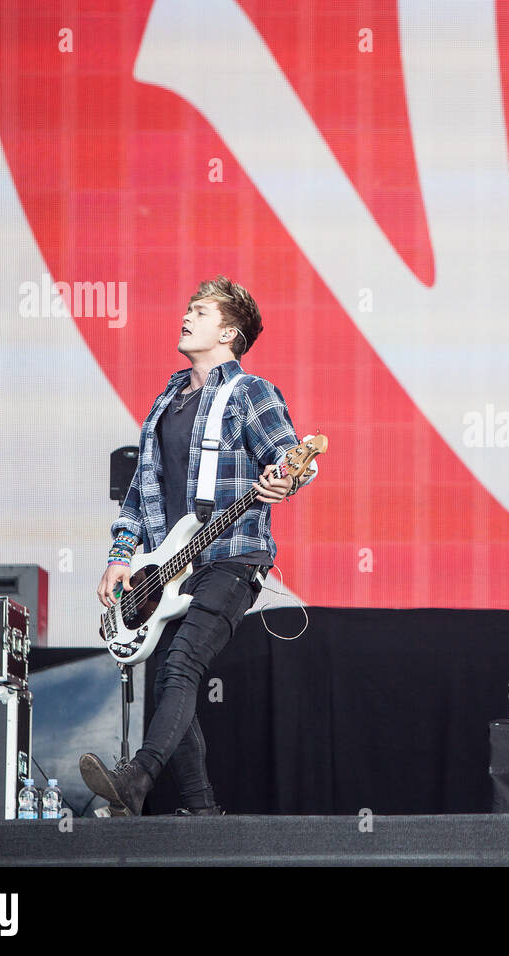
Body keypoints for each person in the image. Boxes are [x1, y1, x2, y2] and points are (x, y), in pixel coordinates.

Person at [80, 276, 316, 817]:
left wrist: (287, 477)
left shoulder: (249, 392)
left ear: (229, 331)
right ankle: (202, 811)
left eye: (201, 311)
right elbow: (142, 489)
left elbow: (289, 457)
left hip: (234, 556)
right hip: (169, 570)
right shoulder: (166, 400)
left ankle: (137, 778)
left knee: (180, 665)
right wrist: (121, 558)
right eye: (188, 307)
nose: (186, 316)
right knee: (167, 675)